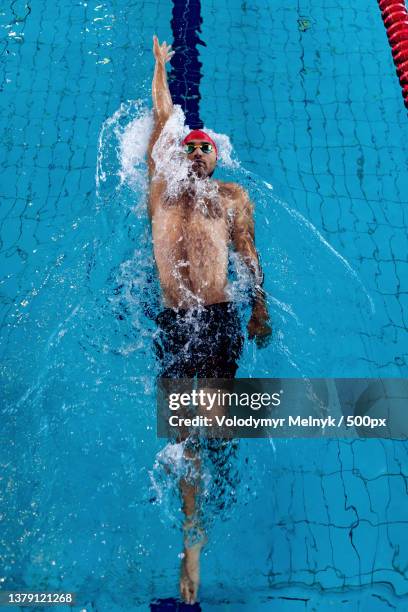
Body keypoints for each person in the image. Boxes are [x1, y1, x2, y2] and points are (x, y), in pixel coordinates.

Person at [147, 35, 271, 605]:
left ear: (218, 156)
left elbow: (248, 255)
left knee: (217, 422)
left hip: (220, 318)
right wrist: (160, 69)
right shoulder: (161, 195)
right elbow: (161, 121)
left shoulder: (231, 197)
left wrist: (261, 308)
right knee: (181, 435)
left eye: (205, 148)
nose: (195, 153)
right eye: (189, 148)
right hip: (175, 320)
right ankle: (191, 550)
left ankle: (216, 461)